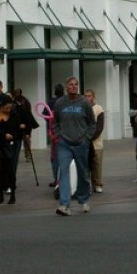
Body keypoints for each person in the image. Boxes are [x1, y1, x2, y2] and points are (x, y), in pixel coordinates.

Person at [52, 77, 96, 216]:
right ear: (66, 87)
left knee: (82, 172)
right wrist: (58, 135)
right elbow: (55, 122)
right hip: (64, 143)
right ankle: (64, 205)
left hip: (81, 143)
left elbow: (92, 123)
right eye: (70, 85)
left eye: (75, 84)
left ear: (78, 87)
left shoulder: (84, 103)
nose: (73, 87)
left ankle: (83, 199)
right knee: (63, 172)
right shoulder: (60, 103)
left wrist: (86, 138)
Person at [0, 95, 20, 204]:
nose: (8, 110)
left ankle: (12, 194)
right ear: (1, 106)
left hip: (9, 145)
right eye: (6, 108)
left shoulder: (14, 115)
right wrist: (3, 134)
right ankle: (1, 195)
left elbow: (15, 130)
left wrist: (11, 135)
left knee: (10, 170)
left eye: (10, 108)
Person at [83, 89, 104, 193]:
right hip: (84, 143)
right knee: (85, 165)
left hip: (96, 143)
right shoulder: (81, 109)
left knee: (96, 165)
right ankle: (87, 185)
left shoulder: (98, 109)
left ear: (93, 97)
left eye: (89, 96)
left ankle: (97, 184)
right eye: (85, 96)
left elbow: (99, 127)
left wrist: (90, 137)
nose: (87, 98)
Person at [47, 83, 64, 187]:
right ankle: (62, 179)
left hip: (54, 134)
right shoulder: (66, 101)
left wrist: (50, 129)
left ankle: (56, 179)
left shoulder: (51, 102)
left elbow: (46, 116)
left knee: (54, 158)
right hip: (64, 135)